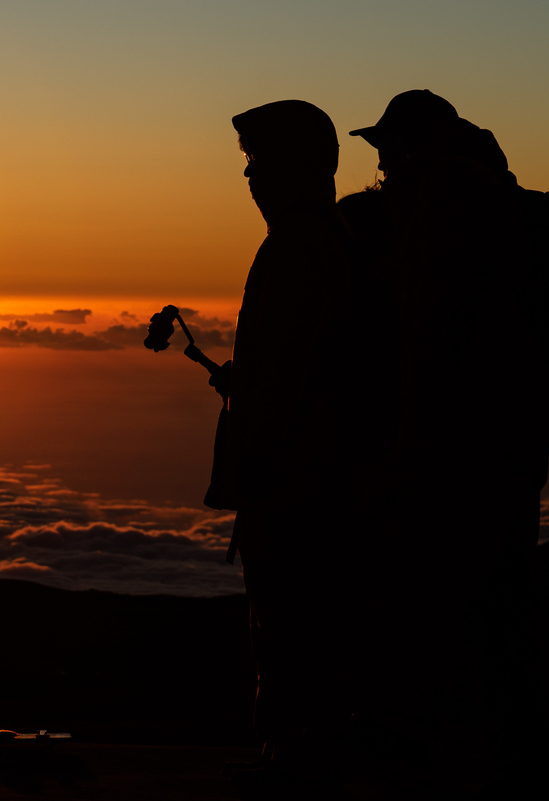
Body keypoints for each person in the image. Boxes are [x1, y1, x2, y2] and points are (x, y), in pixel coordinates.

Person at [348, 89, 549, 794]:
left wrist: (404, 447)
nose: (378, 165)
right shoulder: (490, 192)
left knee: (417, 616)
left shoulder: (447, 196)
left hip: (459, 446)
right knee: (501, 616)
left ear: (410, 146)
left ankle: (402, 767)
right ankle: (523, 767)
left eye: (385, 149)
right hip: (511, 440)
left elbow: (435, 327)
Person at [213, 100, 365, 784]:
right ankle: (301, 754)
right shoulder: (329, 238)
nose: (250, 177)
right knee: (306, 629)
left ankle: (297, 764)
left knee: (292, 626)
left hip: (296, 479)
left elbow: (284, 370)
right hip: (316, 472)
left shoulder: (298, 245)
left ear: (299, 164)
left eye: (258, 160)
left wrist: (257, 452)